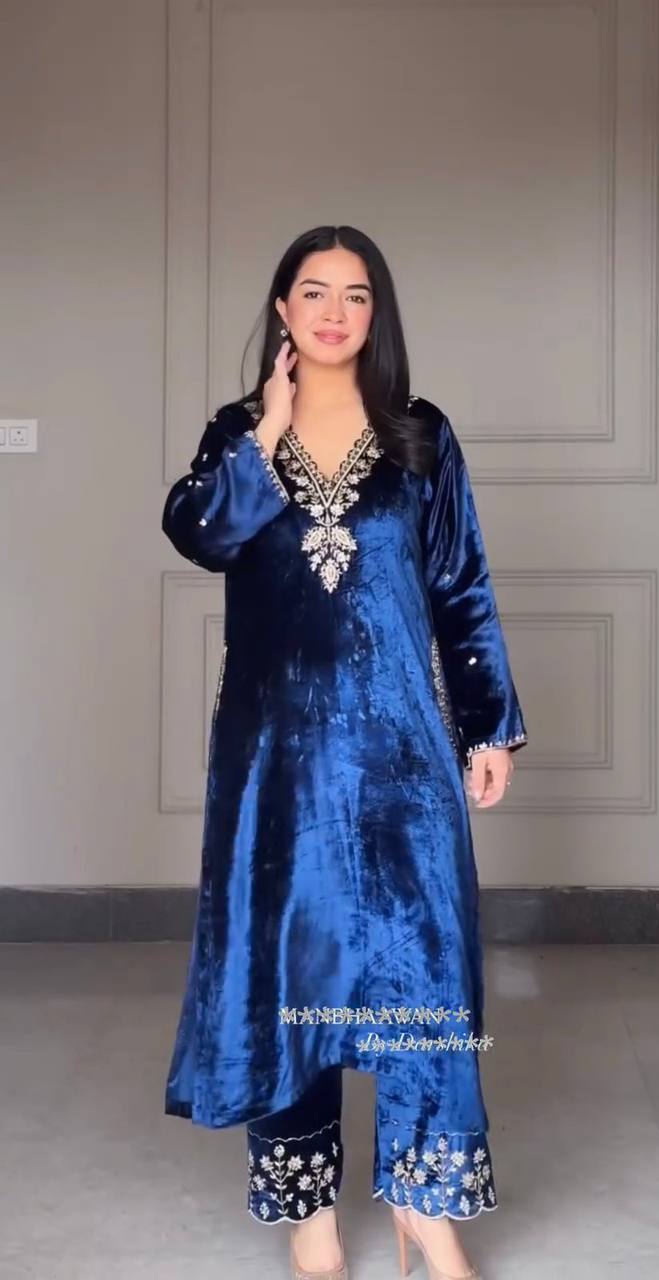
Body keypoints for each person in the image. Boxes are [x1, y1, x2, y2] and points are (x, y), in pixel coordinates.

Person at [162, 224, 528, 1280]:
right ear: (282, 308)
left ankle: (424, 1203)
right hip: (276, 766)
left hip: (402, 758)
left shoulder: (420, 436)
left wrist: (487, 722)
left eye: (356, 295)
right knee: (293, 975)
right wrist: (267, 432)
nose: (334, 312)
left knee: (424, 971)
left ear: (378, 313)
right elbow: (198, 533)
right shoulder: (239, 433)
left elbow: (461, 585)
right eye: (314, 291)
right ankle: (309, 1216)